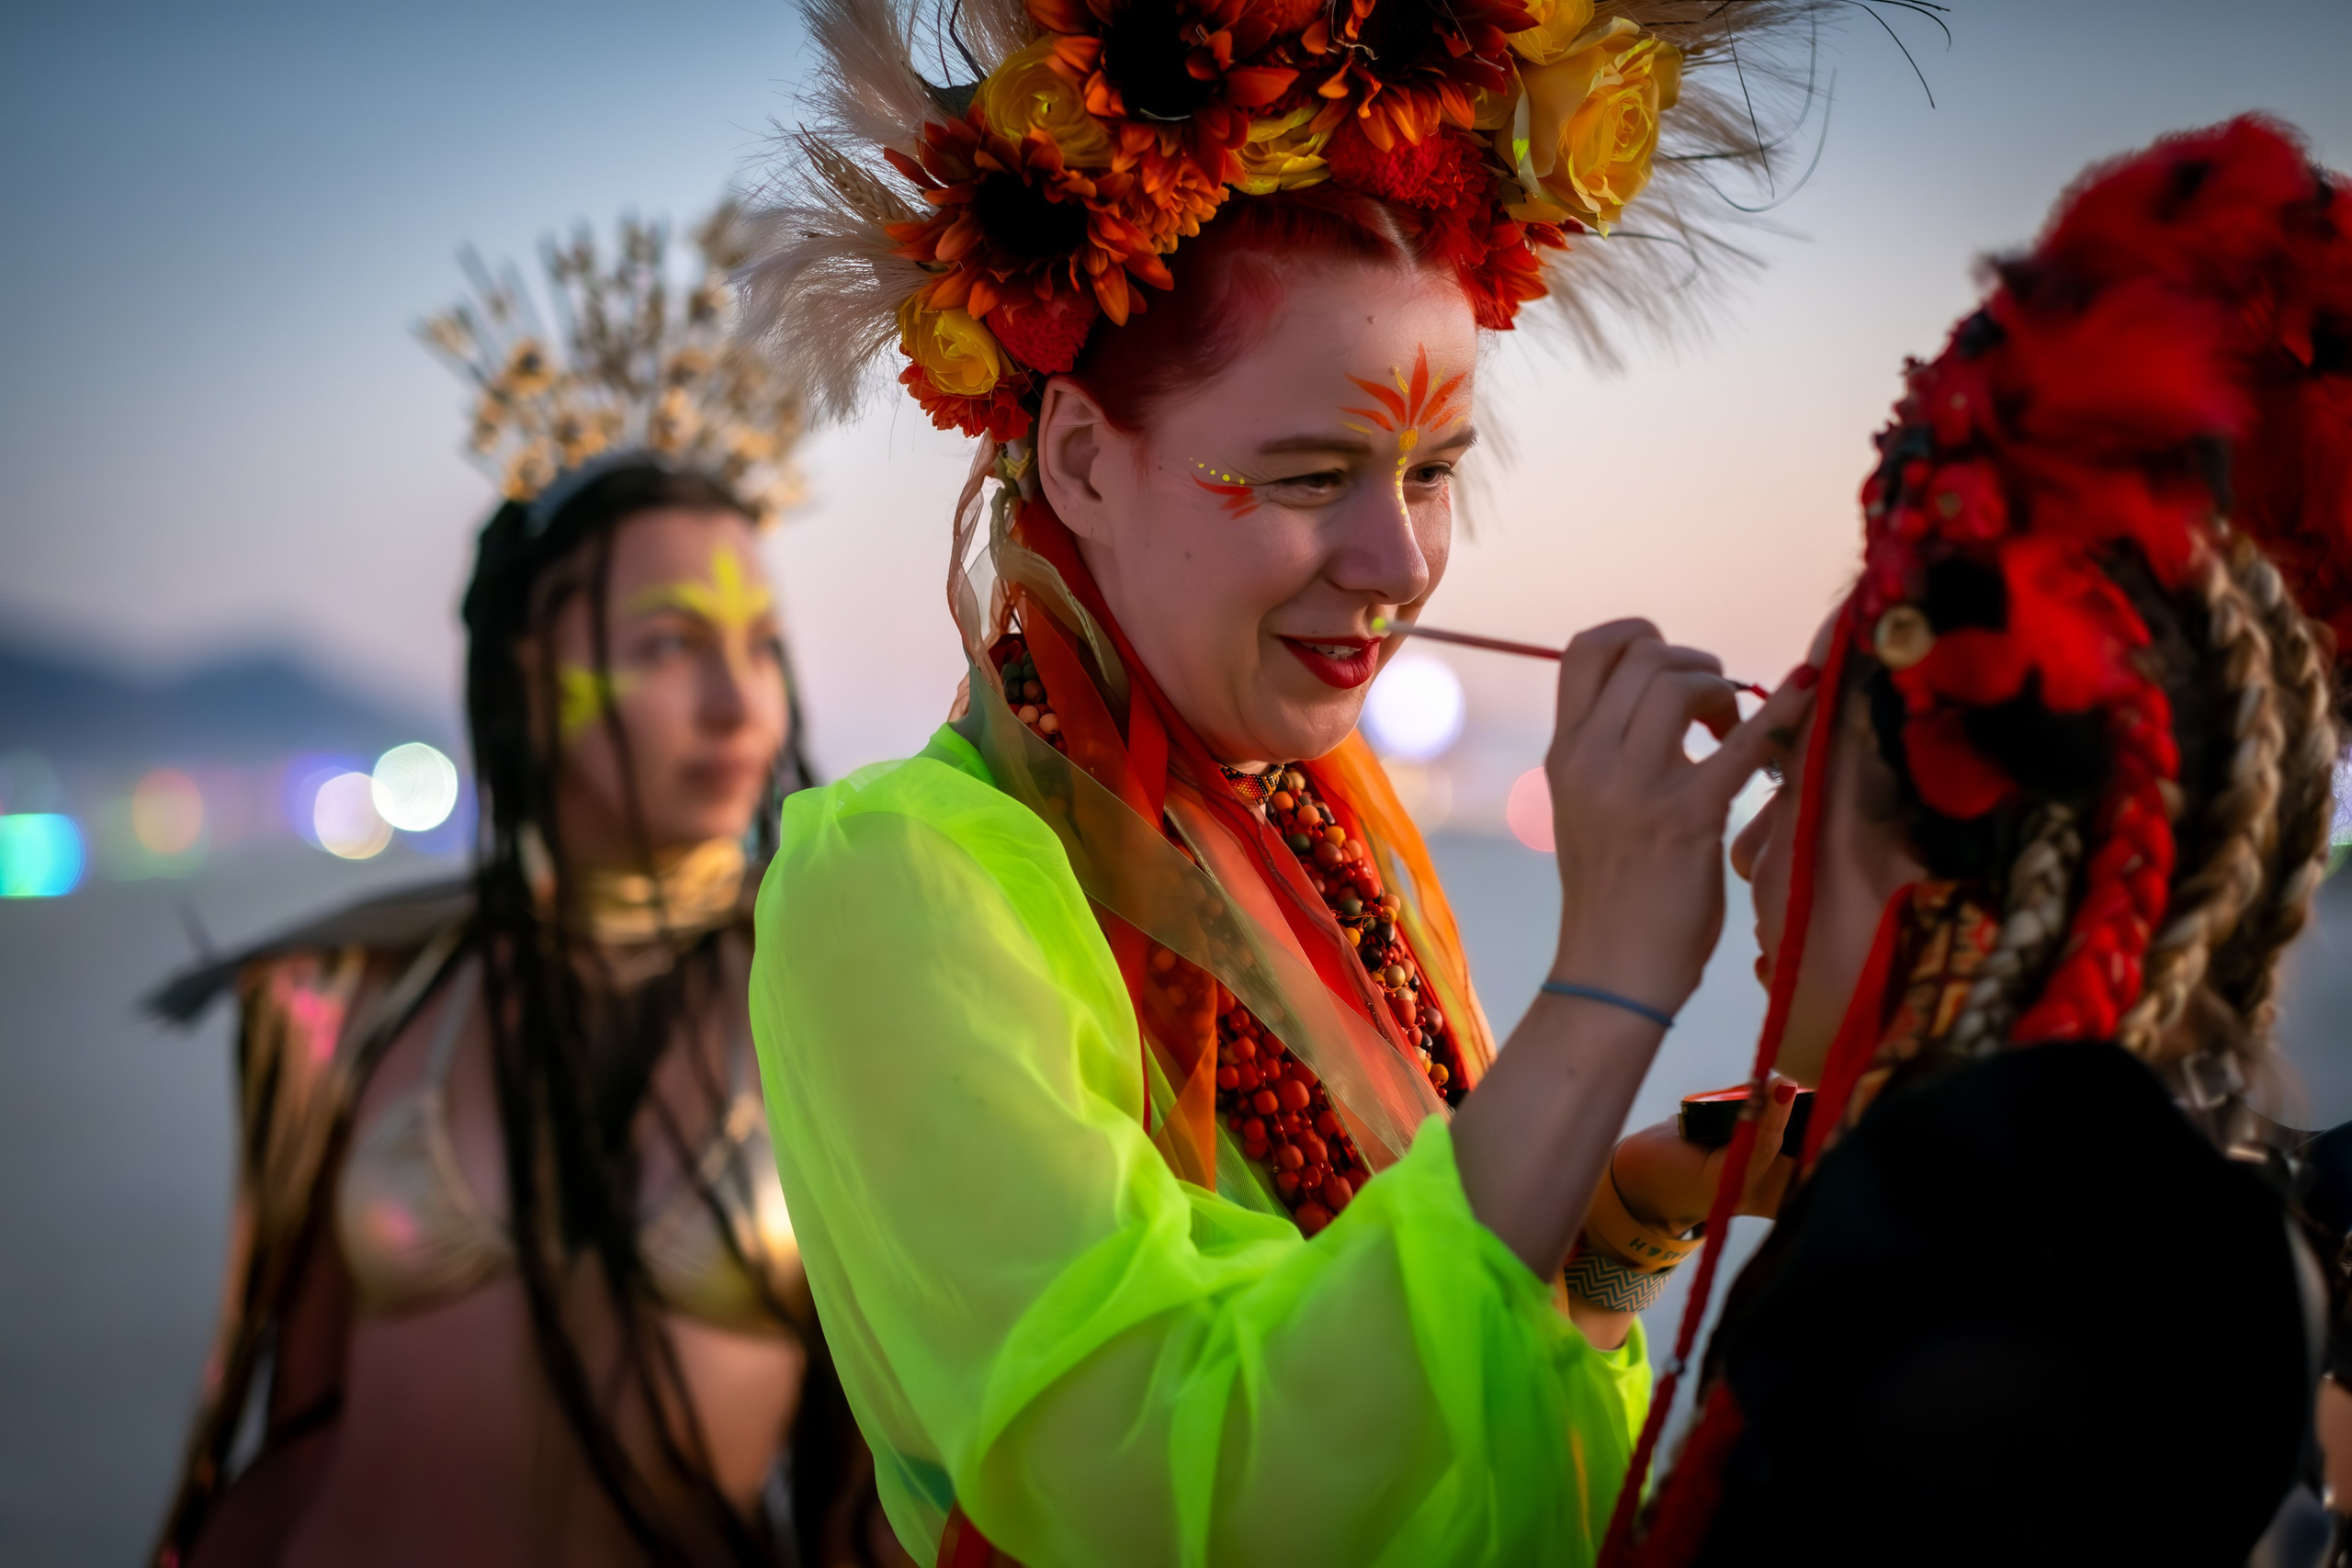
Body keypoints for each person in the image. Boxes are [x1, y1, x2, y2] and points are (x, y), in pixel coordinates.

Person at [734, 0, 1871, 1561]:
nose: (1396, 563)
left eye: (1432, 472)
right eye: (1310, 477)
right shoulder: (902, 883)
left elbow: (1486, 1471)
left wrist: (1616, 1223)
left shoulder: (1340, 832)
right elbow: (1166, 1488)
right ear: (1077, 461)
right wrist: (1604, 985)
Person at [1605, 118, 2350, 1567]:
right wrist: (1640, 1200)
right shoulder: (2203, 1235)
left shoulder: (1947, 1353)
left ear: (1957, 855)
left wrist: (1604, 1030)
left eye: (1796, 765)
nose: (1749, 853)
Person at [150, 212, 899, 1566]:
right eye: (668, 645)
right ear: (522, 686)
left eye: (760, 646)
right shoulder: (371, 1000)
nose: (739, 703)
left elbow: (868, 1502)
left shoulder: (837, 1022)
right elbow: (297, 1420)